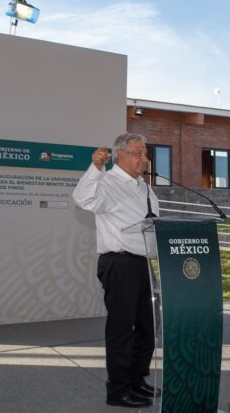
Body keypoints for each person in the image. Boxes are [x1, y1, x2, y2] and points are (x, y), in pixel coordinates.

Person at [72, 132, 160, 408]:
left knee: (148, 327)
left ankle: (136, 380)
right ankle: (118, 389)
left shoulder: (144, 186)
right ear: (120, 155)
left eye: (145, 154)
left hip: (143, 263)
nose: (144, 159)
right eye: (138, 153)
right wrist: (96, 168)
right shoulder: (107, 182)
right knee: (122, 329)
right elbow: (82, 199)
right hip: (120, 263)